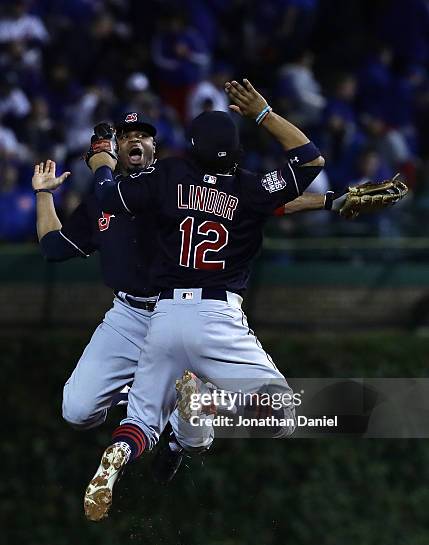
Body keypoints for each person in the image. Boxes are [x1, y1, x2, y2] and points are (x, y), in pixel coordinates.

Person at [83, 79, 325, 521]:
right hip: (218, 314)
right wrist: (263, 113)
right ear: (235, 150)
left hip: (167, 314)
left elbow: (105, 195)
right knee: (282, 414)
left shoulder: (169, 174)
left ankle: (118, 457)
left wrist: (101, 161)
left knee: (140, 422)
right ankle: (206, 402)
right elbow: (310, 158)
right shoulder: (253, 190)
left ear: (191, 146)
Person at [33, 112, 214, 485]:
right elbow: (54, 247)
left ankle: (176, 443)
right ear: (118, 149)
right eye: (127, 135)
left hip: (179, 313)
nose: (136, 141)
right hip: (127, 315)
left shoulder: (174, 186)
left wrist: (100, 163)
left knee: (196, 437)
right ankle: (150, 393)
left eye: (144, 136)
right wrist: (44, 194)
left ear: (154, 148)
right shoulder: (101, 200)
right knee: (76, 410)